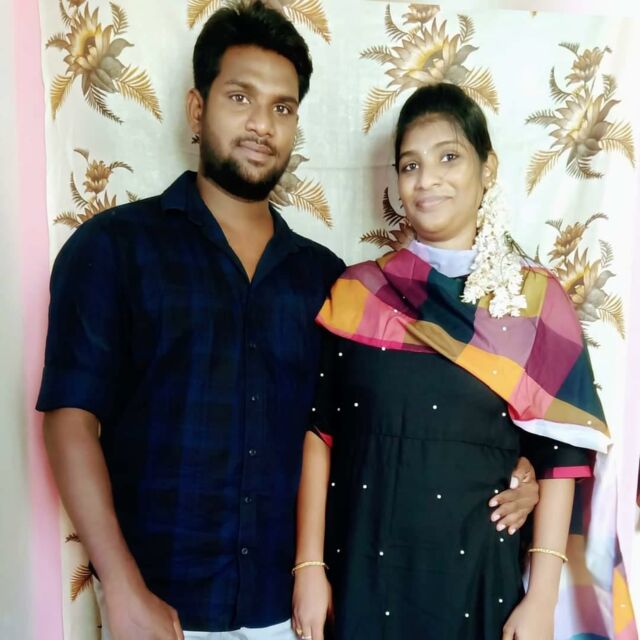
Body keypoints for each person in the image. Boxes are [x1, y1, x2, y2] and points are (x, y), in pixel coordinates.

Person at [37, 3, 539, 638]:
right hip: (160, 608)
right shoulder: (114, 249)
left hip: (295, 611)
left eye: (282, 107)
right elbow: (70, 420)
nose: (261, 123)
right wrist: (121, 585)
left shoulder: (330, 281)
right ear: (196, 109)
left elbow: (383, 420)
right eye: (239, 98)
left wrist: (517, 470)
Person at [292, 83, 610, 640]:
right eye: (410, 165)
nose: (427, 179)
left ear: (488, 168)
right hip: (363, 570)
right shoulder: (358, 292)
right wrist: (309, 567)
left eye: (448, 157)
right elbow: (321, 432)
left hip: (478, 579)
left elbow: (558, 456)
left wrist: (542, 599)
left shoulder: (534, 301)